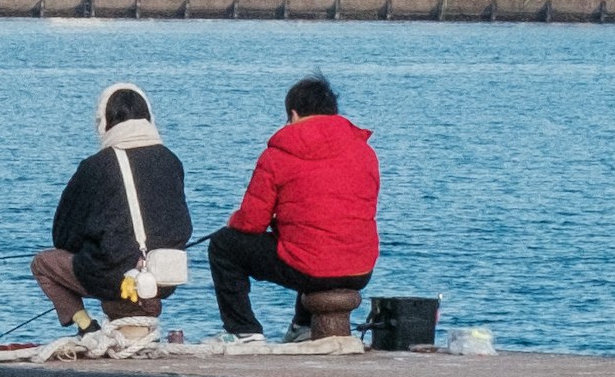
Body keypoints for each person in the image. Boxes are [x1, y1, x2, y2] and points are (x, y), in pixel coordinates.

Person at [209, 73, 380, 339]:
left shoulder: (278, 154)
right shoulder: (365, 152)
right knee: (311, 239)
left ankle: (243, 330)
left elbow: (253, 223)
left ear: (294, 114)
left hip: (313, 268)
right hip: (361, 268)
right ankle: (303, 327)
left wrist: (235, 220)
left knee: (223, 246)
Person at [31, 79, 193, 332]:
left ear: (104, 123)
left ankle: (86, 326)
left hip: (112, 278)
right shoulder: (171, 161)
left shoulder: (95, 166)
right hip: (163, 278)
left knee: (42, 264)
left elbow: (63, 235)